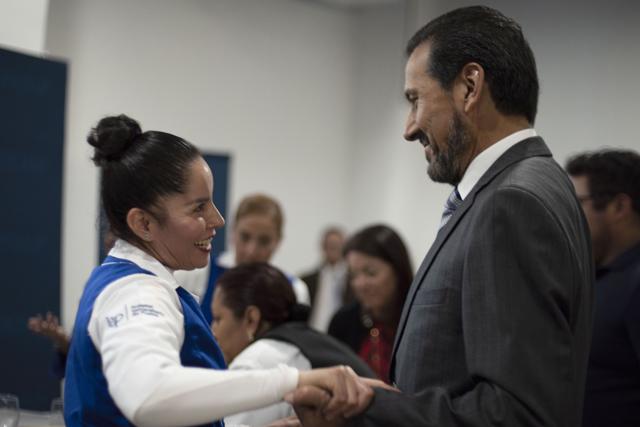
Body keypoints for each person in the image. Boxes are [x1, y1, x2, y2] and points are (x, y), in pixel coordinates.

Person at [288, 6, 594, 427]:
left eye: (415, 99)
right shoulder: (538, 184)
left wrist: (367, 408)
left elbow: (516, 415)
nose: (409, 128)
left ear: (469, 87)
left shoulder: (510, 204)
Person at [63, 114, 373, 427]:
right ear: (143, 223)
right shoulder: (137, 291)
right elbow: (149, 397)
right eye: (198, 208)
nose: (217, 220)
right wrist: (293, 381)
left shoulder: (126, 279)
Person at [212, 262, 376, 426]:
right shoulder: (310, 341)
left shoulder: (256, 363)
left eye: (218, 319)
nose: (213, 331)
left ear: (251, 319)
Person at [566, 149, 640, 427]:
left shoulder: (635, 284)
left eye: (577, 203)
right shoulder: (597, 279)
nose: (568, 216)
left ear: (619, 207)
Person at [176, 193, 310, 325]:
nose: (251, 251)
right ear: (233, 232)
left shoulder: (294, 290)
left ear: (278, 241)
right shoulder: (198, 271)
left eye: (264, 241)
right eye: (245, 237)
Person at [328, 224, 412, 383]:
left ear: (398, 271)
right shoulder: (342, 321)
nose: (360, 284)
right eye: (353, 275)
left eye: (371, 273)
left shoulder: (418, 321)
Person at [301, 227, 350, 332]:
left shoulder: (353, 281)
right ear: (323, 247)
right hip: (312, 333)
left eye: (337, 245)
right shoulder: (307, 280)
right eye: (330, 245)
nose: (333, 248)